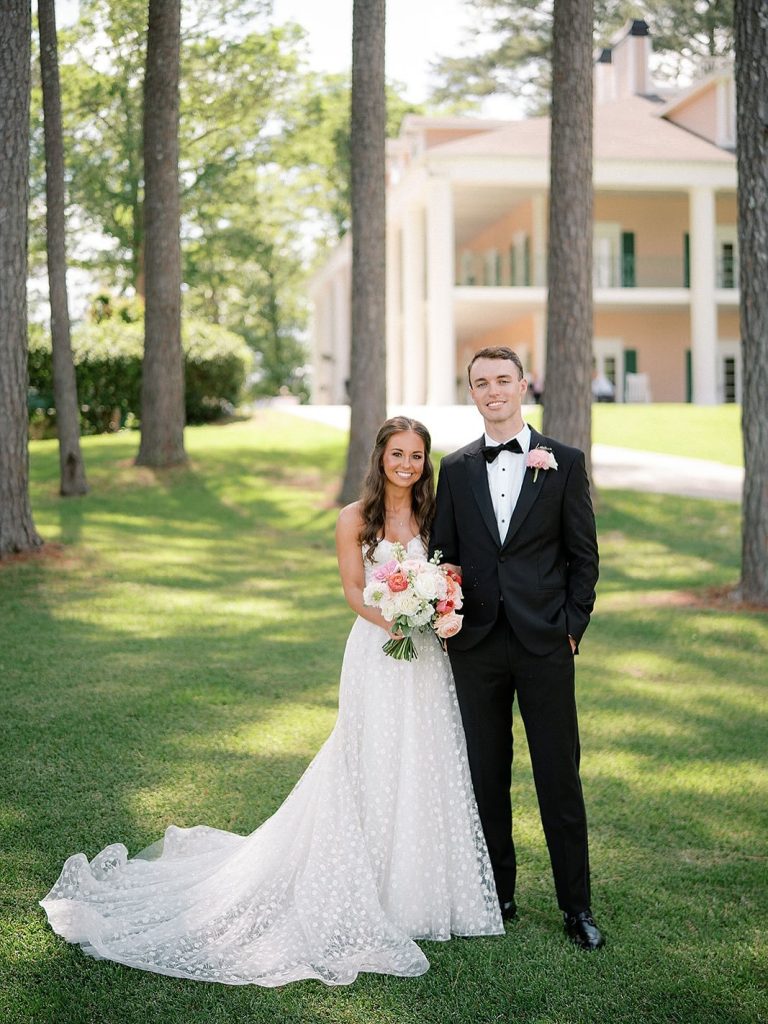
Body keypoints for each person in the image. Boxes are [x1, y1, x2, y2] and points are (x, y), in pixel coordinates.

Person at [40, 416, 502, 987]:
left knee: (425, 759)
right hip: (378, 650)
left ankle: (419, 893)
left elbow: (450, 573)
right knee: (370, 759)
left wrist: (439, 604)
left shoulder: (435, 516)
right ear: (380, 458)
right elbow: (353, 589)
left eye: (416, 456)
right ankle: (366, 884)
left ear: (425, 462)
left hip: (426, 658)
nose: (406, 465)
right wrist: (394, 620)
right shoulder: (354, 519)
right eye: (397, 454)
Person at [429, 347, 604, 951]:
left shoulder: (564, 462)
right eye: (481, 382)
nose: (493, 390)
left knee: (558, 776)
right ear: (471, 392)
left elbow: (584, 556)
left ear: (523, 385)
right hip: (475, 646)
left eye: (503, 379)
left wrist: (571, 626)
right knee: (485, 775)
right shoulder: (454, 468)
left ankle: (576, 907)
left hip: (544, 642)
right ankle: (496, 894)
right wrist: (446, 615)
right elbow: (445, 556)